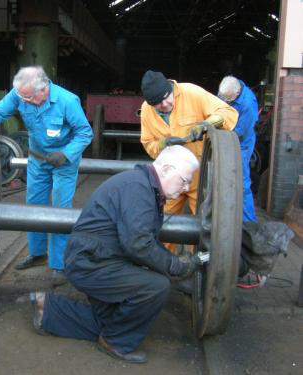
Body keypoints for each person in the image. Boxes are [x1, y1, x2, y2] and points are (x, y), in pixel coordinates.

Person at [28, 146, 202, 364]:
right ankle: (117, 342)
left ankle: (48, 310)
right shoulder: (138, 188)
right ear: (166, 169)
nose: (186, 187)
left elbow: (140, 239)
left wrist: (166, 263)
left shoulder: (142, 186)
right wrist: (174, 265)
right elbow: (138, 244)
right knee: (156, 286)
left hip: (96, 258)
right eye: (184, 180)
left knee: (115, 319)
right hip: (90, 263)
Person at [0, 66, 93, 284]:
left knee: (60, 210)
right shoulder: (20, 94)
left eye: (31, 98)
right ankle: (37, 254)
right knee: (34, 207)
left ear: (44, 88)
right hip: (37, 159)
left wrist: (66, 154)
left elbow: (85, 133)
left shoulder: (67, 101)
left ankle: (59, 265)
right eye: (23, 98)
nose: (26, 102)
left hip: (64, 161)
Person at [139, 70, 238, 252]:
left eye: (166, 98)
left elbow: (228, 112)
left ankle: (196, 266)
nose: (164, 104)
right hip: (168, 180)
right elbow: (148, 144)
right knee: (162, 224)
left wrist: (208, 124)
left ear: (170, 88)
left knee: (203, 227)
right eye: (157, 104)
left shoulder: (192, 93)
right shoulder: (147, 109)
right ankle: (163, 265)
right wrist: (163, 144)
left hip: (198, 177)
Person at [218, 76, 259, 223]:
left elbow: (240, 132)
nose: (226, 102)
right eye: (224, 98)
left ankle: (248, 222)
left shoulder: (248, 104)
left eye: (229, 100)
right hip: (227, 137)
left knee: (241, 180)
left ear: (237, 94)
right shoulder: (226, 91)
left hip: (242, 143)